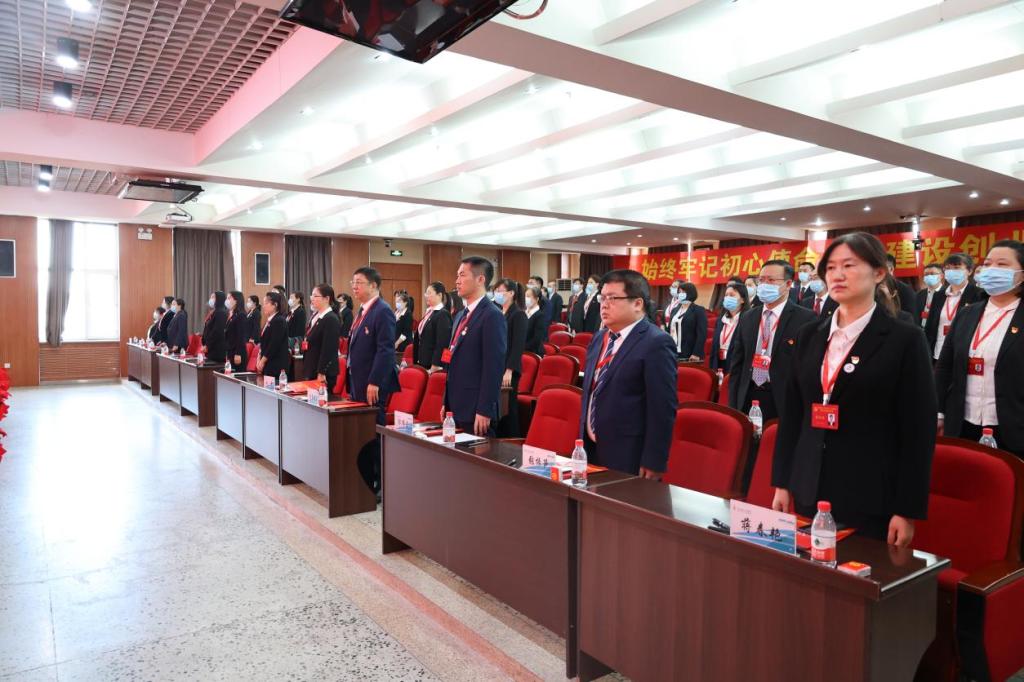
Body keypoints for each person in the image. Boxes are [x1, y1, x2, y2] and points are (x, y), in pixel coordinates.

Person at [772, 232, 936, 546]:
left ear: (879, 273)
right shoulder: (809, 335)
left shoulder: (905, 339)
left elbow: (918, 431)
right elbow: (792, 415)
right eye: (831, 268)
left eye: (848, 265)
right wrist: (782, 481)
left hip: (870, 493)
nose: (837, 275)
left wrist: (907, 509)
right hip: (809, 485)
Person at [579, 269, 677, 476]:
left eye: (612, 298)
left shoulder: (656, 343)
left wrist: (654, 460)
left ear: (637, 304)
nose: (604, 304)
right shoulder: (599, 338)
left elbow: (662, 407)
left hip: (628, 453)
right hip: (591, 447)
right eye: (602, 298)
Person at [935, 240, 1024, 459]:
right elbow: (945, 366)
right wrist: (939, 412)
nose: (992, 269)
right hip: (963, 423)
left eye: (1002, 264)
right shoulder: (968, 313)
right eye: (987, 263)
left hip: (1013, 427)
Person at [728, 260, 816, 422]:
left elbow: (808, 370)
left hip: (782, 398)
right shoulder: (748, 317)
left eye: (771, 280)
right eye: (761, 280)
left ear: (788, 284)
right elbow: (737, 364)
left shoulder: (805, 318)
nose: (764, 285)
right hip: (748, 393)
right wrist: (733, 404)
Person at [443, 256, 507, 436]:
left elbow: (493, 367)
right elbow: (451, 357)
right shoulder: (460, 316)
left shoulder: (492, 316)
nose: (457, 281)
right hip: (455, 405)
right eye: (457, 275)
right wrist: (445, 402)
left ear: (480, 279)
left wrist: (485, 409)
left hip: (475, 409)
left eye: (462, 275)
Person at [347, 267, 400, 424]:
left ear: (373, 285)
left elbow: (385, 350)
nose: (354, 286)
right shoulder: (362, 310)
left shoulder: (382, 311)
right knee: (360, 425)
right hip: (358, 378)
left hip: (371, 380)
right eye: (353, 283)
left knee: (372, 424)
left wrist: (375, 381)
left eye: (359, 282)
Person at [925, 253, 986, 362]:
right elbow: (930, 326)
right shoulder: (939, 295)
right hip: (938, 353)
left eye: (957, 268)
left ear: (969, 271)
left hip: (963, 354)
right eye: (948, 268)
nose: (952, 271)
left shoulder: (979, 295)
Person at [494, 279, 527, 438]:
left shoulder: (518, 314)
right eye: (496, 291)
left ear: (512, 293)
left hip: (509, 370)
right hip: (497, 367)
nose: (497, 294)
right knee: (499, 409)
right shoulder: (499, 313)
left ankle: (513, 441)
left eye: (500, 291)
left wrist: (509, 370)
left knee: (509, 409)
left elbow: (517, 345)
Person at [304, 284, 342, 392]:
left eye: (315, 296)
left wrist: (321, 372)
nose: (312, 298)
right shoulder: (317, 316)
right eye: (311, 295)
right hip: (312, 366)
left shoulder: (331, 319)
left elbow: (328, 348)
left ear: (326, 299)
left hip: (322, 373)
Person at [710, 282, 747, 374]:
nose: (727, 298)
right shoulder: (721, 319)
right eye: (726, 295)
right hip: (719, 363)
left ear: (742, 300)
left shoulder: (747, 320)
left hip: (736, 365)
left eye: (732, 295)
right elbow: (714, 346)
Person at [414, 282, 452, 371]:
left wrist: (435, 364)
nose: (426, 296)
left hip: (432, 365)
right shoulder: (430, 312)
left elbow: (443, 343)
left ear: (439, 295)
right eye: (426, 293)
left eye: (429, 293)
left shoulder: (443, 314)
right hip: (422, 361)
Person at [667, 282, 708, 361]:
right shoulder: (674, 310)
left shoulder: (698, 310)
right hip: (672, 350)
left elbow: (702, 334)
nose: (680, 294)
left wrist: (696, 353)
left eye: (683, 292)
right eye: (679, 292)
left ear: (690, 293)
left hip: (689, 352)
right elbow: (669, 330)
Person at [256, 291, 289, 379]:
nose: (263, 306)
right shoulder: (270, 320)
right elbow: (264, 342)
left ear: (275, 305)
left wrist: (262, 361)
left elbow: (274, 344)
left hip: (275, 364)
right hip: (268, 362)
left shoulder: (279, 320)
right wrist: (259, 358)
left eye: (266, 303)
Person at [883, 254, 920, 319]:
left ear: (891, 269)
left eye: (880, 267)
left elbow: (911, 317)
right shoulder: (872, 287)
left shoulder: (905, 290)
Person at [200, 291, 228, 364]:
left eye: (213, 297)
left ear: (219, 299)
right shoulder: (214, 312)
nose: (211, 299)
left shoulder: (221, 312)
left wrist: (207, 345)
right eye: (211, 297)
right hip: (211, 348)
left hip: (217, 349)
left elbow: (217, 331)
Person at [916, 262, 943, 336]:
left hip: (938, 332)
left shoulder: (946, 293)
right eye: (926, 274)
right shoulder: (919, 294)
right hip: (921, 331)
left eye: (932, 274)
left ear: (941, 276)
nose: (929, 276)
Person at [224, 291, 248, 371]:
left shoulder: (241, 315)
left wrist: (238, 353)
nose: (227, 300)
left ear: (236, 300)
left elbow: (241, 336)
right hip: (230, 350)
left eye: (229, 298)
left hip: (237, 353)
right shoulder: (232, 314)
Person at [523, 285, 547, 356]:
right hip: (521, 350)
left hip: (534, 352)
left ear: (536, 299)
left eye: (528, 296)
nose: (526, 299)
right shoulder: (523, 313)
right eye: (525, 296)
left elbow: (537, 338)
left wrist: (523, 347)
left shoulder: (540, 315)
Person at [394, 290, 414, 355]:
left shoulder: (408, 314)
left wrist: (397, 343)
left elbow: (406, 332)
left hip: (404, 345)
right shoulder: (396, 312)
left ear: (405, 303)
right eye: (396, 302)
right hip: (395, 344)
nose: (397, 303)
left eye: (399, 301)